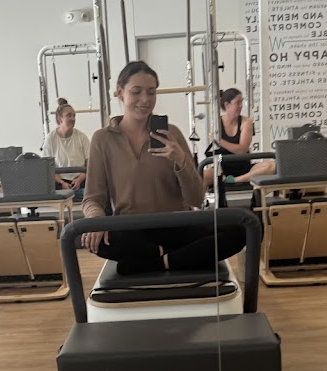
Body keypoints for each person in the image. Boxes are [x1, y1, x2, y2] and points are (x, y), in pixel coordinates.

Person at [81, 61, 246, 275]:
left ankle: (154, 261)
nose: (145, 99)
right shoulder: (102, 139)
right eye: (136, 92)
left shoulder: (172, 134)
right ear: (120, 92)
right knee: (88, 236)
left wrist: (181, 161)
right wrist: (95, 219)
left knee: (239, 229)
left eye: (151, 92)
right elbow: (92, 199)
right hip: (132, 231)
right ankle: (177, 257)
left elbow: (196, 199)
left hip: (177, 225)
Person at [202, 88, 275, 187]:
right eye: (237, 103)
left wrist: (220, 141)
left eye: (241, 102)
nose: (241, 106)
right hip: (222, 169)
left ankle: (235, 180)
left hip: (245, 169)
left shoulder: (246, 122)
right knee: (201, 175)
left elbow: (242, 150)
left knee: (272, 166)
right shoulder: (217, 123)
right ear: (227, 105)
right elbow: (215, 150)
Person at [42, 99, 90, 193]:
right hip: (59, 182)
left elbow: (89, 165)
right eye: (69, 115)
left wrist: (79, 180)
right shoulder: (50, 139)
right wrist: (61, 182)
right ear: (60, 119)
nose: (73, 118)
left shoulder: (82, 137)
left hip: (81, 180)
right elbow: (48, 168)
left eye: (74, 115)